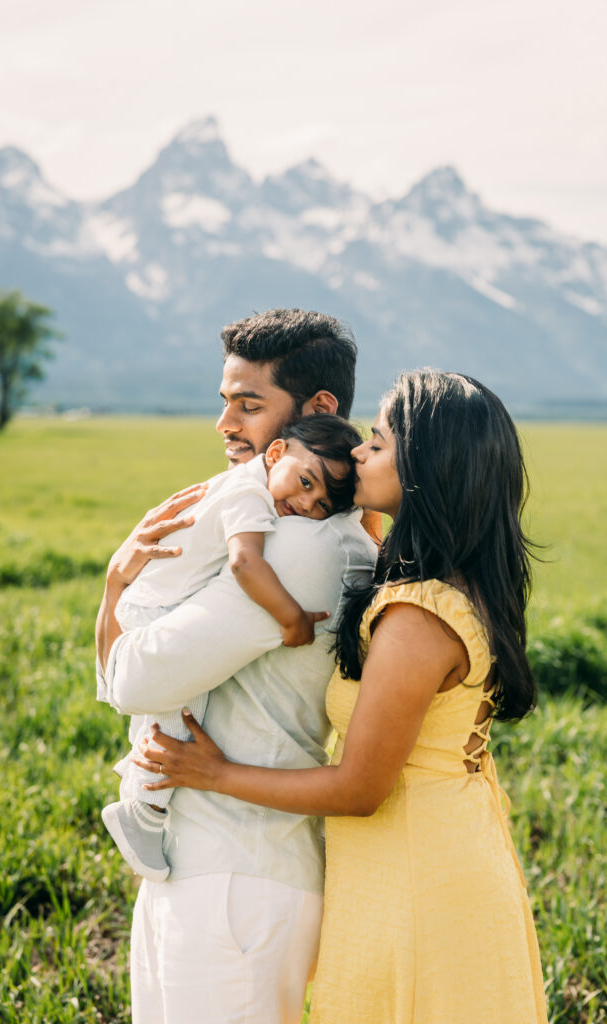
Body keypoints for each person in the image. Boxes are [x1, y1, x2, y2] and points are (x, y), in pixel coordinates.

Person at [134, 370, 549, 1024]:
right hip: (436, 851)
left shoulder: (417, 619)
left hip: (414, 873)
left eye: (378, 444)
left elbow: (360, 788)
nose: (358, 452)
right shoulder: (445, 584)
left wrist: (213, 774)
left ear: (425, 472)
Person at [95, 308, 378, 1024]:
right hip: (203, 861)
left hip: (234, 878)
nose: (225, 424)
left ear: (316, 410)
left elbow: (132, 684)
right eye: (225, 401)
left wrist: (116, 591)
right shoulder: (282, 522)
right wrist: (115, 585)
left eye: (247, 404)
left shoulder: (302, 550)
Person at [99, 415, 363, 883]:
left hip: (237, 869)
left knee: (175, 707)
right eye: (304, 484)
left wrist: (114, 585)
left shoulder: (285, 519)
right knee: (175, 711)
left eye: (322, 503)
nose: (305, 504)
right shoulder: (249, 493)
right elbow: (245, 562)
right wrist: (291, 618)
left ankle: (142, 806)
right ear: (277, 454)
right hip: (155, 606)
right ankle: (142, 806)